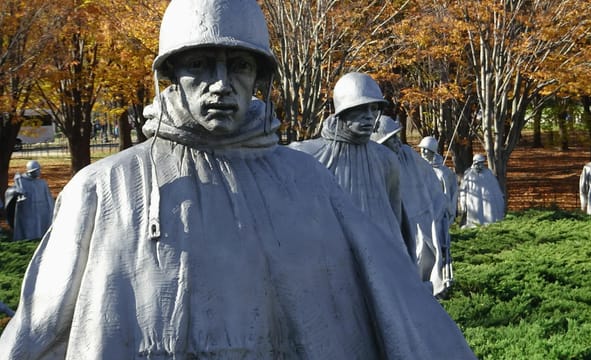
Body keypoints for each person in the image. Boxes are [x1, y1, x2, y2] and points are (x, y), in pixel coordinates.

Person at [0, 1, 476, 358]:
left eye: (239, 65)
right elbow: (38, 328)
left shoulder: (308, 182)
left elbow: (396, 301)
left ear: (259, 78)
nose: (221, 83)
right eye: (199, 65)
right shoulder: (101, 188)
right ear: (171, 75)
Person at [288, 72, 413, 260]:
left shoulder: (386, 159)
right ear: (342, 111)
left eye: (374, 109)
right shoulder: (308, 155)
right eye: (361, 109)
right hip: (328, 257)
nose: (369, 117)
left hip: (380, 259)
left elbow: (395, 219)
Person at [371, 116, 452, 296]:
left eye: (396, 137)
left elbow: (431, 183)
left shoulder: (408, 156)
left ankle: (427, 290)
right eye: (390, 139)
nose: (397, 142)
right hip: (394, 223)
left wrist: (440, 209)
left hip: (421, 218)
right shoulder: (374, 163)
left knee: (425, 253)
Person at [419, 136, 459, 227]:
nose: (423, 152)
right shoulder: (417, 169)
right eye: (422, 149)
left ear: (433, 151)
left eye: (426, 149)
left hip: (437, 213)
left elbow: (448, 195)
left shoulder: (442, 173)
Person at [10, 160, 54, 240]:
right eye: (38, 170)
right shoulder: (21, 181)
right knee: (29, 228)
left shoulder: (42, 183)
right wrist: (17, 193)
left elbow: (48, 197)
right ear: (32, 171)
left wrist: (51, 208)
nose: (39, 172)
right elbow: (12, 194)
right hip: (28, 210)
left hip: (41, 209)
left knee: (41, 227)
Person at [459, 154, 505, 229]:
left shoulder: (488, 173)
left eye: (481, 163)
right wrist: (463, 203)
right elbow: (463, 190)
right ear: (474, 162)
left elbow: (495, 189)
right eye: (478, 163)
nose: (479, 165)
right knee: (474, 222)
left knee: (489, 220)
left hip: (488, 202)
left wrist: (499, 201)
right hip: (473, 202)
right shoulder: (468, 174)